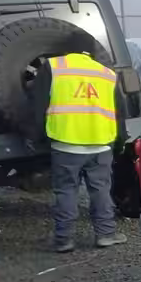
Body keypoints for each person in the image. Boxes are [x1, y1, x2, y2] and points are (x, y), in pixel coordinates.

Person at [45, 51, 127, 252]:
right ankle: (106, 235)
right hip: (100, 143)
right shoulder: (106, 73)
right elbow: (120, 111)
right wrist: (120, 141)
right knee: (100, 190)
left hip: (65, 143)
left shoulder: (54, 67)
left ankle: (64, 240)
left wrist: (35, 138)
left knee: (66, 191)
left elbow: (37, 105)